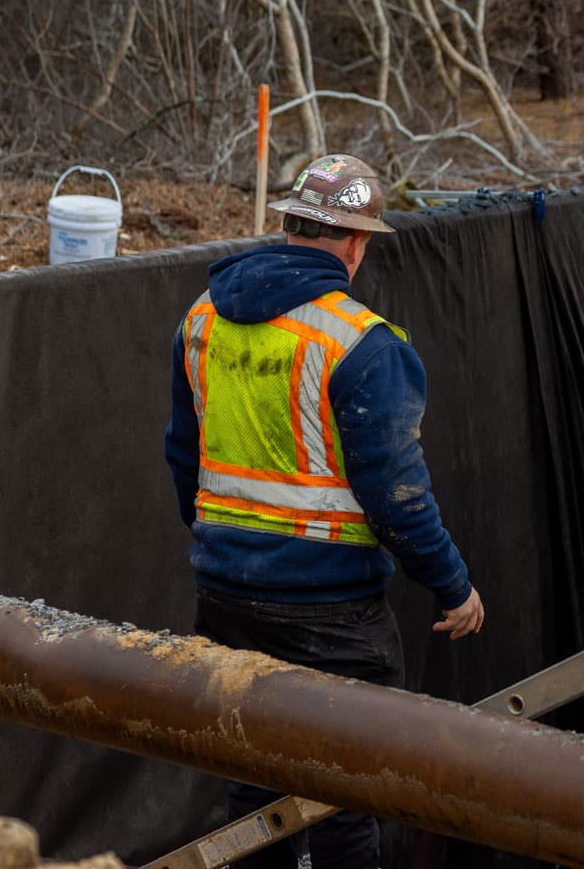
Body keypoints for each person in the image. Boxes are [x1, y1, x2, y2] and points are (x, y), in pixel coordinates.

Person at [164, 153, 483, 869]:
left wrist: (226, 548)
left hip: (226, 592)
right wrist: (453, 586)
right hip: (332, 612)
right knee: (346, 791)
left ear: (291, 224)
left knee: (252, 781)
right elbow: (396, 493)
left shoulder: (201, 317)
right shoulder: (360, 342)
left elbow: (184, 456)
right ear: (357, 243)